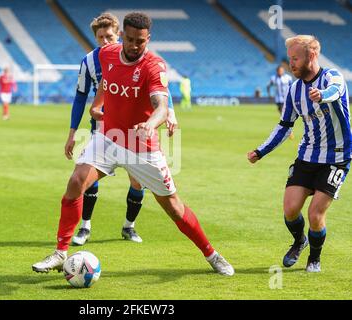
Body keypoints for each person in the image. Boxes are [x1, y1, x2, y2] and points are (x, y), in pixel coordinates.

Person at [32, 12, 234, 276]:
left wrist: (151, 124)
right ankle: (60, 252)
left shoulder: (154, 66)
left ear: (148, 38)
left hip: (142, 146)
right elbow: (106, 82)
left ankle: (211, 254)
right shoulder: (107, 55)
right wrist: (97, 106)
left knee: (174, 207)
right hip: (107, 137)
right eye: (129, 39)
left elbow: (161, 104)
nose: (134, 45)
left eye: (140, 41)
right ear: (122, 36)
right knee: (76, 181)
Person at [65, 13, 178, 245]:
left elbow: (159, 91)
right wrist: (72, 133)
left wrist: (170, 114)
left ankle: (129, 226)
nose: (105, 41)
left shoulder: (138, 58)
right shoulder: (90, 61)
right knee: (87, 178)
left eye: (109, 36)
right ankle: (85, 227)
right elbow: (80, 97)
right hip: (102, 129)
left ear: (119, 35)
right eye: (100, 37)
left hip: (137, 129)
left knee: (137, 181)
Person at [247, 35, 350, 273]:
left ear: (311, 56)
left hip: (336, 158)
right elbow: (285, 126)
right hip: (307, 156)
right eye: (290, 58)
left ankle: (314, 259)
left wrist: (322, 95)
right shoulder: (294, 90)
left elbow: (335, 90)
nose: (291, 63)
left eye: (295, 58)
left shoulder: (331, 77)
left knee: (315, 214)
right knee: (290, 210)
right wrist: (261, 151)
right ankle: (299, 241)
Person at [267, 65, 294, 139]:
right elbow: (268, 86)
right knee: (282, 115)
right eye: (279, 71)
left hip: (286, 99)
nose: (280, 72)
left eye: (281, 70)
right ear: (277, 71)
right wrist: (269, 95)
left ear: (283, 71)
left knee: (284, 115)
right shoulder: (273, 78)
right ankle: (288, 130)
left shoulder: (288, 78)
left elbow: (292, 87)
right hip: (278, 100)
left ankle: (288, 131)